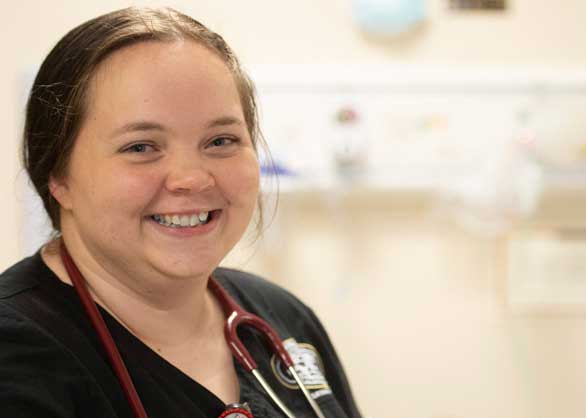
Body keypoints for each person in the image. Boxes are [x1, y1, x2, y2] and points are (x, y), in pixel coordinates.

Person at [0, 7, 361, 418]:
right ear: (58, 176)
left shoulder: (284, 318)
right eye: (140, 147)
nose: (191, 179)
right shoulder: (17, 357)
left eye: (221, 140)